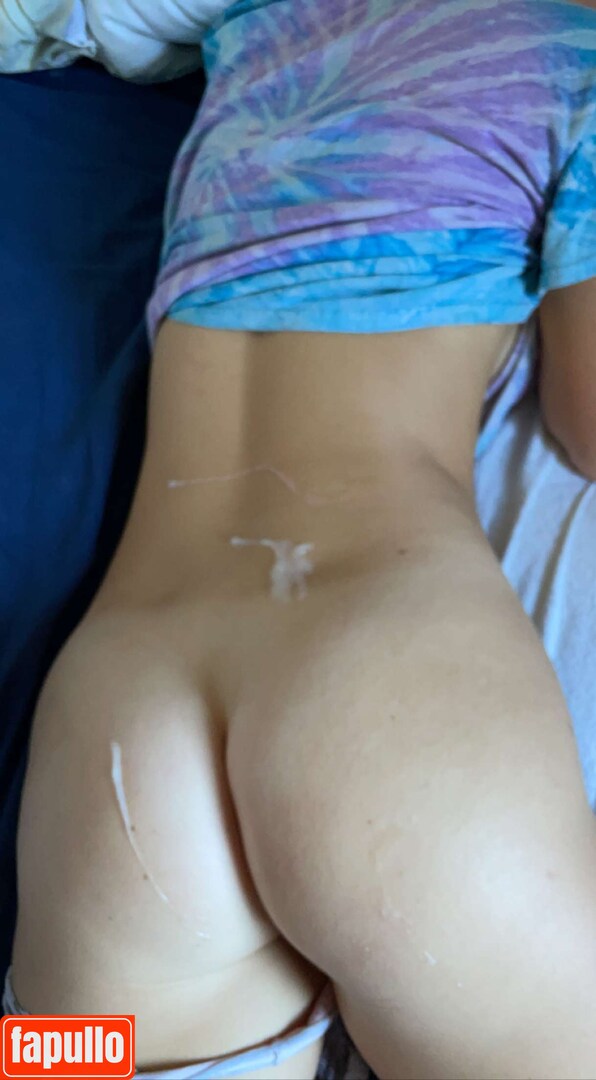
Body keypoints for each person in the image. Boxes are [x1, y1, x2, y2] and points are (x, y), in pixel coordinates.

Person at [4, 2, 596, 1078]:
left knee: (63, 1061)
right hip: (385, 705)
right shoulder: (573, 48)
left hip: (117, 725)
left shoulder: (258, 25)